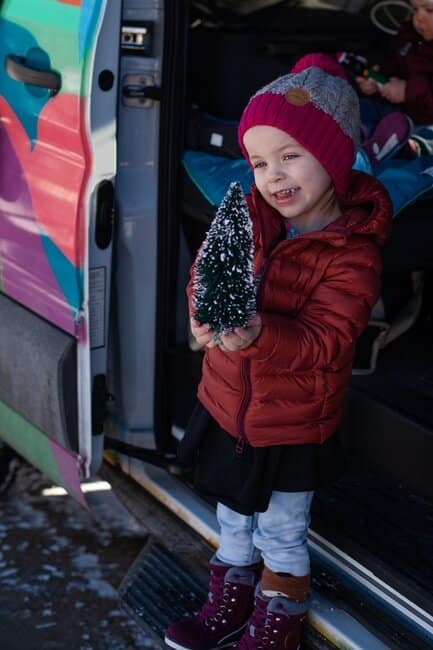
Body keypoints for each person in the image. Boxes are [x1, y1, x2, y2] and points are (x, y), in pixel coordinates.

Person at [165, 55, 392, 650]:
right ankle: (229, 598)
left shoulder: (352, 254)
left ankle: (280, 616)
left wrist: (259, 334)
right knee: (232, 518)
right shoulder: (247, 216)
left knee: (283, 530)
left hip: (291, 423)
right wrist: (200, 308)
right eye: (260, 161)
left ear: (335, 159)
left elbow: (327, 342)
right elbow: (207, 274)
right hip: (227, 406)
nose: (272, 175)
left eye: (290, 156)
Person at [356, 0, 433, 163]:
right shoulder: (410, 36)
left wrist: (408, 91)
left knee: (427, 136)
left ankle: (407, 148)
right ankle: (353, 135)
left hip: (426, 122)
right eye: (415, 10)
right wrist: (378, 81)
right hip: (398, 114)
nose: (418, 18)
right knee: (363, 107)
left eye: (429, 10)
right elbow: (395, 65)